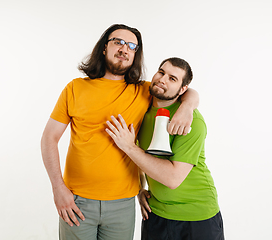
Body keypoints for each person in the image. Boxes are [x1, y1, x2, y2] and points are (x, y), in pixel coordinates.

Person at [41, 24, 199, 240]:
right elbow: (49, 138)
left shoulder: (144, 90)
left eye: (132, 46)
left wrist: (187, 107)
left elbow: (186, 89)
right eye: (118, 42)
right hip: (76, 201)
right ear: (104, 47)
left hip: (123, 204)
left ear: (135, 55)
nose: (125, 49)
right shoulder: (75, 88)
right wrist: (58, 189)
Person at [106, 57, 224, 240]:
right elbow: (141, 158)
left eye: (172, 79)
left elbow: (172, 178)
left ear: (182, 89)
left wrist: (128, 147)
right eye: (161, 72)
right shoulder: (142, 107)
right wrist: (139, 188)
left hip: (197, 217)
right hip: (156, 213)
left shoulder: (191, 122)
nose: (163, 79)